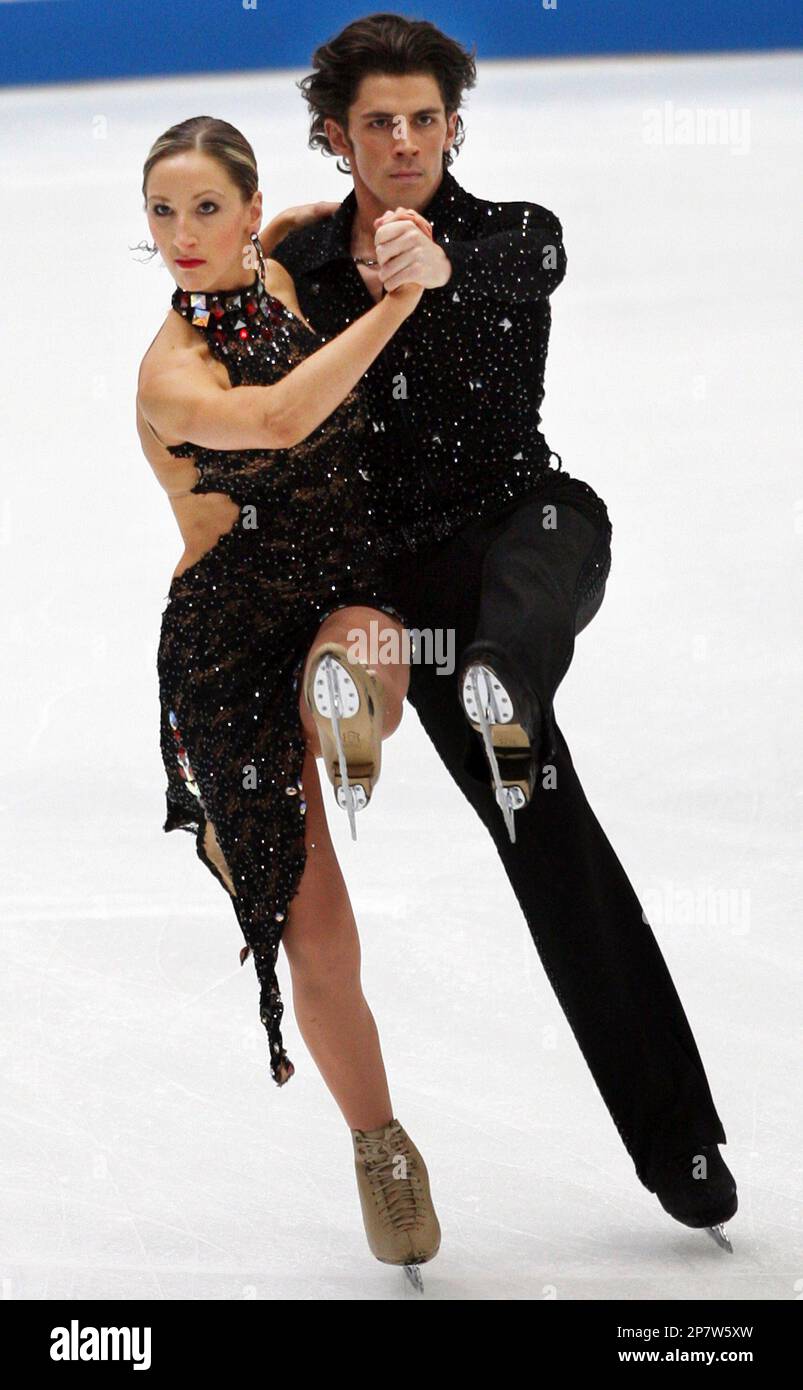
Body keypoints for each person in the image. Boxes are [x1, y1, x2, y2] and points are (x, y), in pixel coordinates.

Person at [262, 12, 737, 1246]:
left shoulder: (514, 234)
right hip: (402, 593)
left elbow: (512, 275)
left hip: (517, 533)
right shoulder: (303, 271)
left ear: (454, 125)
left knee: (556, 533)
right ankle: (679, 1137)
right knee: (553, 848)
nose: (407, 140)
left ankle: (503, 684)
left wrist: (433, 269)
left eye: (426, 119)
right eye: (380, 123)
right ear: (336, 135)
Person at [135, 116, 441, 1279]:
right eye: (161, 214)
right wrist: (394, 306)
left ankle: (347, 714)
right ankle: (381, 1147)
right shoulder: (172, 376)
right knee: (316, 930)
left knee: (364, 639)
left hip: (332, 601)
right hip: (224, 649)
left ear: (251, 210)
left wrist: (397, 231)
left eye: (206, 207)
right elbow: (273, 420)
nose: (182, 236)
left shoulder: (280, 260)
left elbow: (344, 215)